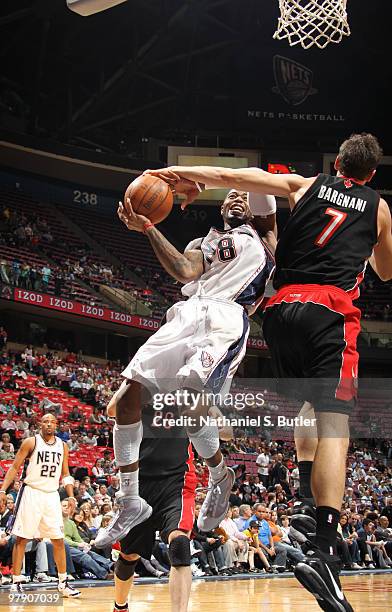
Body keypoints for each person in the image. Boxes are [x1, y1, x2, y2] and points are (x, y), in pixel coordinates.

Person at [150, 132, 391, 611]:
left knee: (306, 404)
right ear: (372, 174)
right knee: (335, 425)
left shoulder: (304, 185)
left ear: (338, 162)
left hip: (279, 311)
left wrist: (174, 176)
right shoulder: (378, 208)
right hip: (329, 307)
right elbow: (385, 271)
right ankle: (325, 548)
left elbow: (231, 175)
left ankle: (303, 502)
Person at [97, 186, 276, 545]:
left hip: (226, 317)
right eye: (231, 194)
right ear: (221, 206)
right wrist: (148, 225)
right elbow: (182, 268)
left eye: (245, 194)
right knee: (127, 398)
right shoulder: (203, 242)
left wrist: (198, 177)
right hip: (186, 314)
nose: (239, 196)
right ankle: (130, 501)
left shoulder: (264, 235)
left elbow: (266, 197)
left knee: (190, 407)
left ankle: (221, 476)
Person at [101, 389, 198, 612]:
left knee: (180, 543)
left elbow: (221, 427)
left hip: (177, 481)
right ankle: (120, 605)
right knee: (129, 556)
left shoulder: (190, 389)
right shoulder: (138, 383)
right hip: (138, 483)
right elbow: (112, 409)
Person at [0, 414, 80, 597]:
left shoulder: (63, 445)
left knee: (58, 539)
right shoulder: (31, 442)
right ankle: (16, 582)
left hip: (51, 495)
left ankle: (63, 582)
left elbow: (66, 473)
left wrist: (71, 496)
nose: (49, 424)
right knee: (21, 538)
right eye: (45, 421)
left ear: (57, 425)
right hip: (31, 492)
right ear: (40, 424)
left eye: (52, 421)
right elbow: (14, 467)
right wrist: (3, 490)